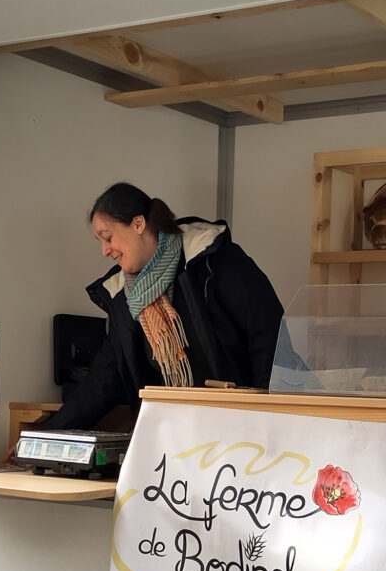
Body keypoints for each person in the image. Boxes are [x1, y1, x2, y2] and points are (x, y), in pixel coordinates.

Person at [44, 183, 284, 431]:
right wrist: (43, 436)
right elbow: (103, 379)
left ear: (138, 224)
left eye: (108, 238)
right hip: (173, 437)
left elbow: (269, 336)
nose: (105, 251)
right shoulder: (126, 300)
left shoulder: (213, 262)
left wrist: (264, 419)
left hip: (241, 428)